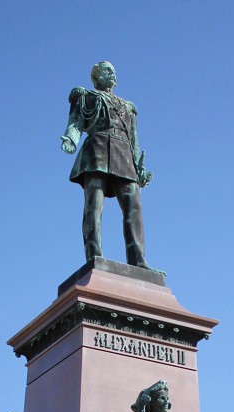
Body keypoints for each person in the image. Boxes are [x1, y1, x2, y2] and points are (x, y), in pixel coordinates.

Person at [61, 61, 154, 269]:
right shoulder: (86, 96)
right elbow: (75, 123)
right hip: (97, 150)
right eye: (107, 70)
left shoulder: (128, 107)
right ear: (96, 76)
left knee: (134, 206)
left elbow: (134, 140)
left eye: (114, 71)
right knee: (94, 204)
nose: (112, 73)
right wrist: (70, 139)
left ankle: (137, 259)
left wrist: (139, 168)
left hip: (124, 155)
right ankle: (95, 255)